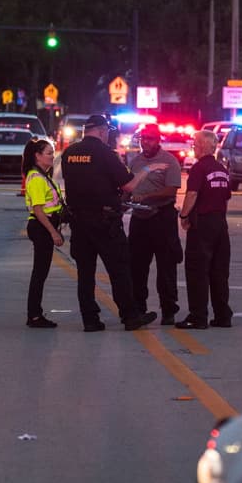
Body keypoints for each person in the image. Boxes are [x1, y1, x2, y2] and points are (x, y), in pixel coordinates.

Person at [60, 114, 156, 332]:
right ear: (103, 131)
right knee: (119, 269)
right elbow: (129, 186)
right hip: (105, 222)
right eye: (107, 132)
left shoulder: (69, 153)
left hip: (78, 221)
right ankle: (130, 316)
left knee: (85, 273)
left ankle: (90, 320)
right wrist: (147, 170)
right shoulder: (106, 153)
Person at [126, 124, 183, 325]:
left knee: (166, 267)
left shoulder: (169, 161)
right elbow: (129, 186)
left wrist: (147, 196)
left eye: (149, 138)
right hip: (140, 219)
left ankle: (168, 309)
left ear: (158, 140)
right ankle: (138, 308)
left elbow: (171, 190)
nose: (145, 142)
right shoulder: (136, 161)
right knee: (137, 266)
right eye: (143, 138)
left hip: (162, 218)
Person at [176, 129, 232, 330]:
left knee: (197, 270)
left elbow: (192, 194)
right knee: (219, 271)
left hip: (202, 224)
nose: (194, 147)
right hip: (220, 225)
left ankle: (197, 316)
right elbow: (226, 196)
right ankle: (222, 315)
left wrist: (183, 215)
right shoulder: (222, 169)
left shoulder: (199, 168)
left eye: (196, 144)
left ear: (206, 146)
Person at [22, 138, 66, 328]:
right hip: (41, 228)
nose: (52, 156)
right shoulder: (37, 178)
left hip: (45, 226)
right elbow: (38, 210)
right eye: (48, 153)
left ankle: (35, 313)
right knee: (39, 273)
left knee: (41, 272)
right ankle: (34, 315)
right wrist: (53, 233)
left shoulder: (43, 175)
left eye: (53, 152)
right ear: (37, 156)